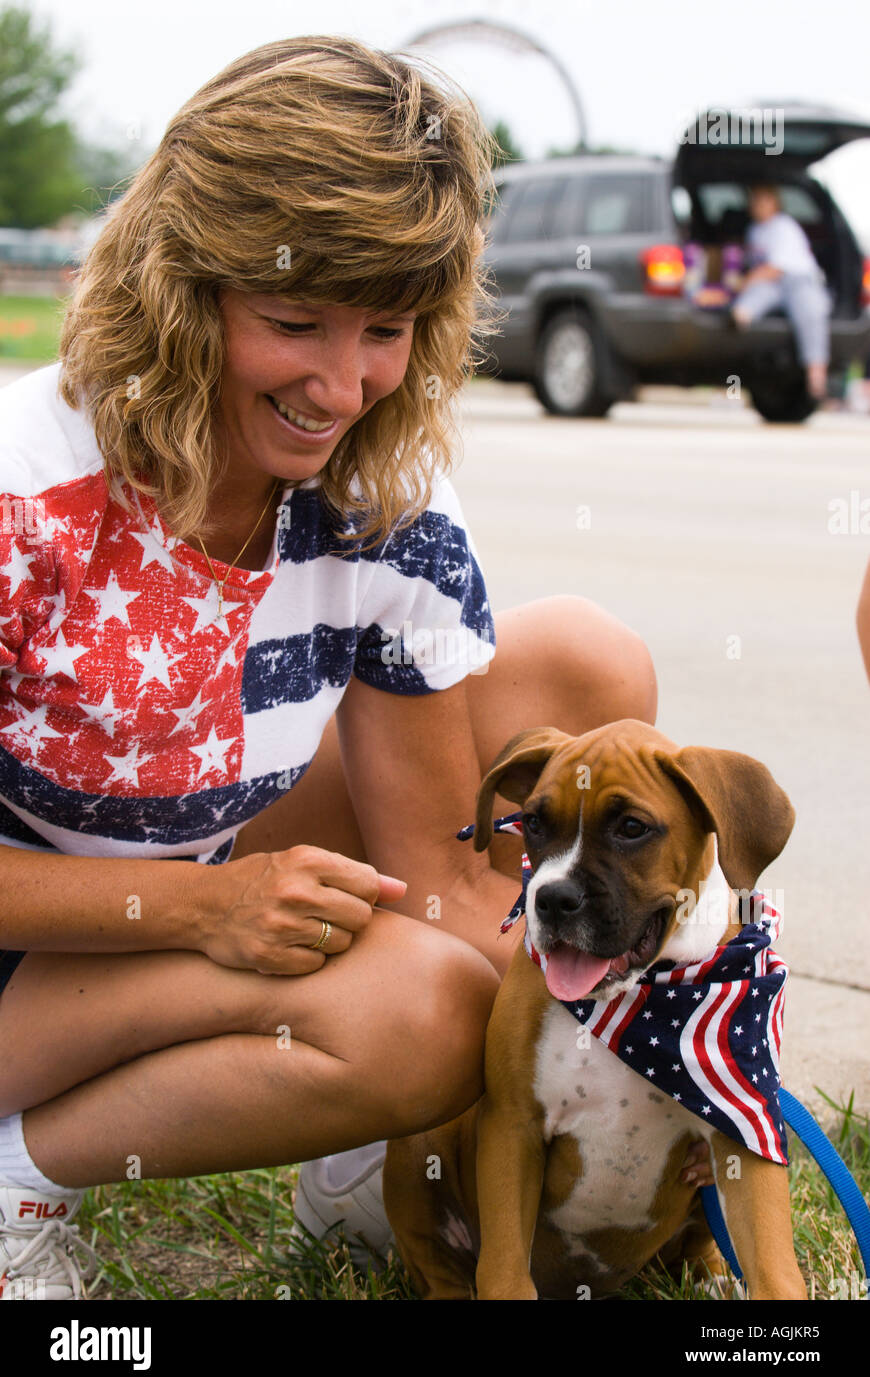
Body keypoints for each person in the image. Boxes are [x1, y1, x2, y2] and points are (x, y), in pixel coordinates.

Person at [0, 35, 708, 1301]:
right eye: (292, 322)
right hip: (36, 945)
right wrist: (202, 910)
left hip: (185, 879)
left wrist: (638, 1018)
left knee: (576, 666)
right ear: (179, 286)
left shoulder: (384, 500)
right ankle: (17, 1177)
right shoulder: (22, 491)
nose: (343, 385)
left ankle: (398, 1144)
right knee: (403, 991)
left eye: (387, 328)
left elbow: (437, 874)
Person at [731, 185, 831, 400]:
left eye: (764, 201)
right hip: (770, 285)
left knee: (810, 315)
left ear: (775, 204)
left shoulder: (784, 226)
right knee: (751, 302)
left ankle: (816, 375)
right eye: (755, 202)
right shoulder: (755, 231)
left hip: (797, 281)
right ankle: (738, 319)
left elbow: (775, 268)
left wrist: (745, 282)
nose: (759, 206)